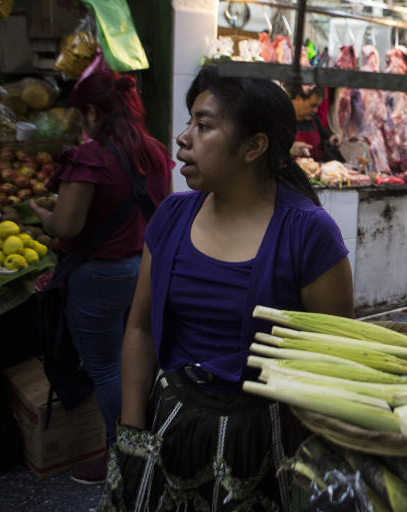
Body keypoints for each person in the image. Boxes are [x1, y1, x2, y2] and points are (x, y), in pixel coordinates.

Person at [103, 68, 353, 510]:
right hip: (173, 429)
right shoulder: (171, 218)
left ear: (254, 146)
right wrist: (132, 434)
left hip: (270, 440)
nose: (183, 138)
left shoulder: (309, 233)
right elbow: (139, 328)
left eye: (204, 125)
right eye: (189, 122)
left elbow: (331, 365)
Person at [29, 71, 172, 484]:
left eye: (81, 113)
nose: (81, 122)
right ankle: (145, 447)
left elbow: (67, 226)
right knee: (144, 362)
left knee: (108, 368)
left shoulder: (90, 157)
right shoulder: (157, 151)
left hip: (100, 277)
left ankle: (121, 458)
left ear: (92, 111)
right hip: (146, 269)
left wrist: (42, 215)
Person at [285, 82, 343, 161]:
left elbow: (326, 139)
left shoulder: (314, 120)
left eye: (317, 106)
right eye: (312, 105)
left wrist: (333, 139)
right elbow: (272, 153)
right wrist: (291, 150)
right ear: (298, 99)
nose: (316, 110)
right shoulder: (281, 120)